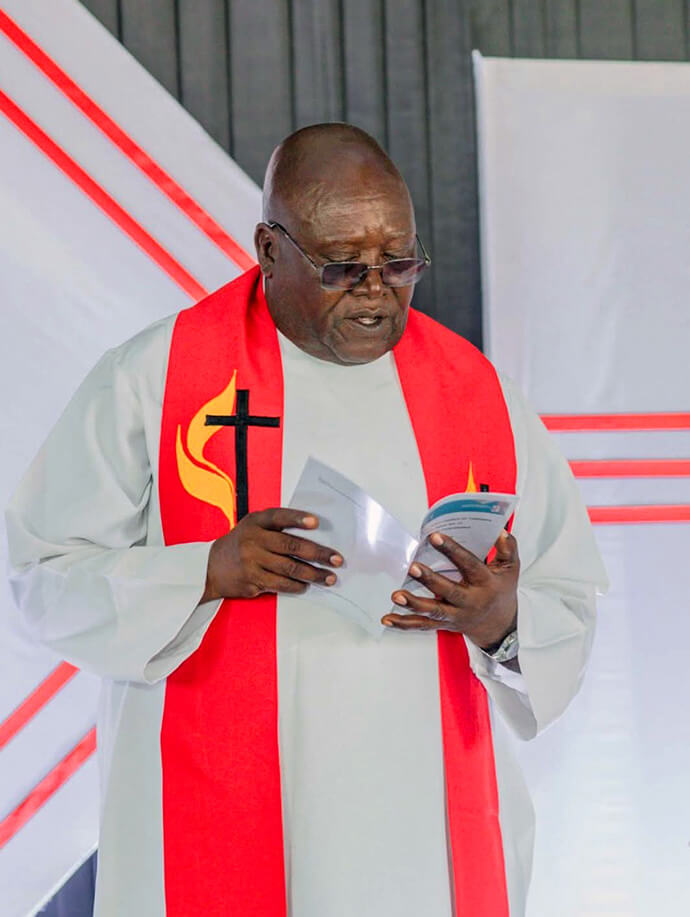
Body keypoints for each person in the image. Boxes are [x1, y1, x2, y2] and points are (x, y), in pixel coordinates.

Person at [6, 123, 607, 917]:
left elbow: (568, 595)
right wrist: (203, 571)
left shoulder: (478, 394)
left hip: (418, 833)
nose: (376, 289)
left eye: (400, 262)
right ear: (268, 247)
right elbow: (40, 578)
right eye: (341, 266)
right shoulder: (156, 379)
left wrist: (502, 620)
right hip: (220, 815)